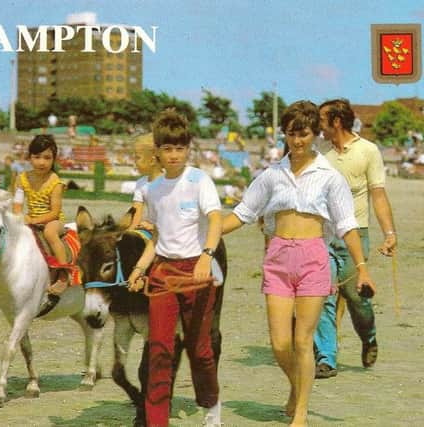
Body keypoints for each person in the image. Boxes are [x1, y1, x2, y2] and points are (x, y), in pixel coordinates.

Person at [221, 101, 374, 426]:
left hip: (313, 259)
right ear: (284, 135)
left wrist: (361, 267)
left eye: (303, 134)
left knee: (304, 341)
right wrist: (204, 235)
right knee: (280, 343)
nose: (297, 141)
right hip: (277, 258)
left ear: (315, 134)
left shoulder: (329, 177)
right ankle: (296, 386)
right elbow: (242, 214)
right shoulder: (271, 175)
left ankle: (301, 412)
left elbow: (347, 225)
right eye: (291, 134)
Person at [128, 109, 223, 427]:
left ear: (188, 149)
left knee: (200, 350)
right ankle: (157, 422)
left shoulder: (199, 181)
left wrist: (207, 256)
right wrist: (140, 268)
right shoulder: (153, 190)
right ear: (157, 151)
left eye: (179, 149)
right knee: (159, 351)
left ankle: (211, 401)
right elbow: (157, 237)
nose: (173, 155)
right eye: (167, 149)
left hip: (196, 271)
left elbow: (215, 220)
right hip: (164, 274)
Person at [313, 99, 397, 378]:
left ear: (337, 122)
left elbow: (378, 195)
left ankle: (368, 337)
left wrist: (389, 234)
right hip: (322, 234)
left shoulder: (368, 151)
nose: (318, 127)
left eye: (322, 121)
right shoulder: (319, 152)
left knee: (355, 297)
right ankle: (326, 357)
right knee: (323, 294)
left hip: (355, 235)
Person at [12, 134, 69, 296]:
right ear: (30, 157)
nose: (41, 162)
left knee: (49, 233)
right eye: (37, 157)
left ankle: (64, 274)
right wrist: (18, 218)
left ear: (54, 159)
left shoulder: (55, 182)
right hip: (30, 218)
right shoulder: (22, 179)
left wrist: (33, 220)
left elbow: (54, 212)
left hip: (53, 220)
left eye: (47, 158)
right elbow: (17, 205)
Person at [129, 133, 162, 229]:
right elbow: (135, 213)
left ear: (152, 161)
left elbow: (174, 215)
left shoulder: (169, 182)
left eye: (138, 157)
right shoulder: (141, 183)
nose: (134, 161)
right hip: (150, 228)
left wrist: (154, 226)